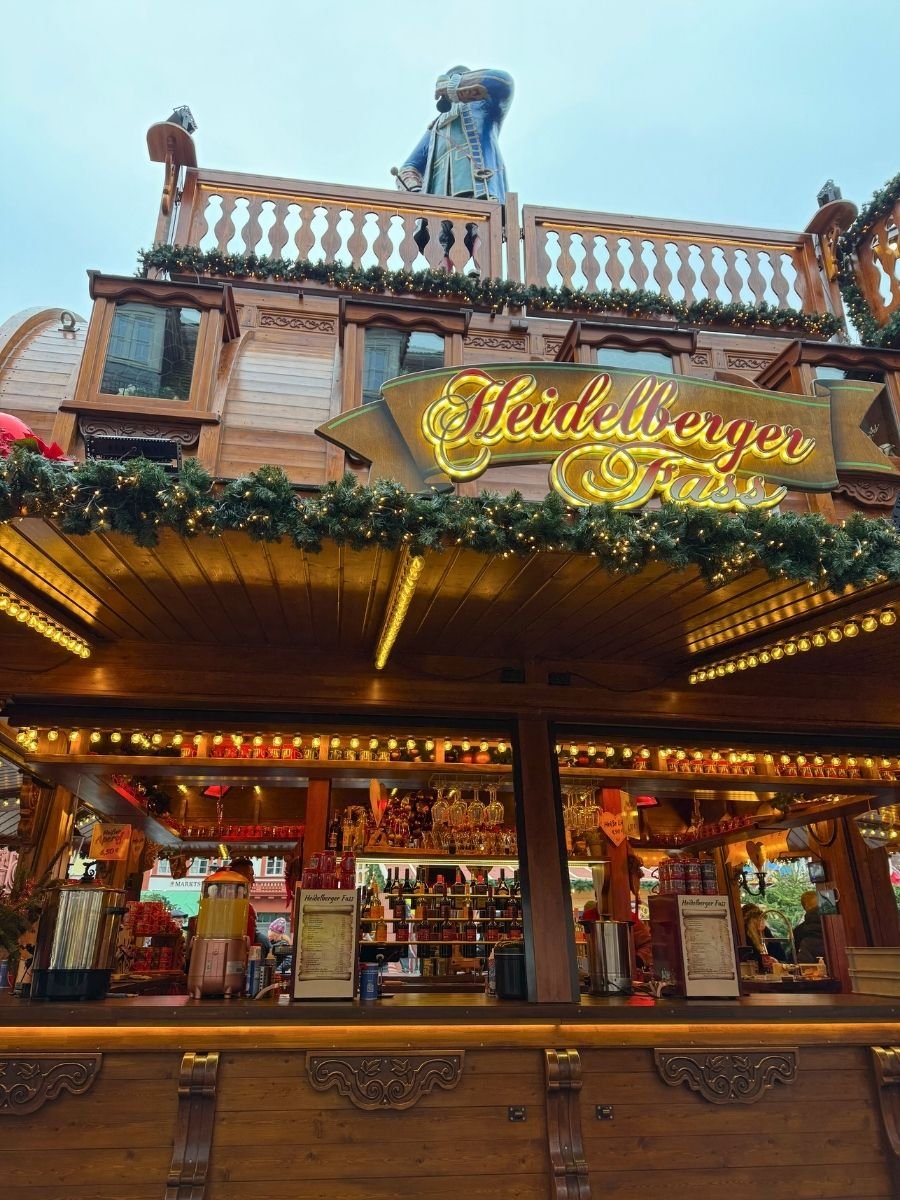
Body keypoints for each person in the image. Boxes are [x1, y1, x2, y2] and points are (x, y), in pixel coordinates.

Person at [395, 66, 514, 203]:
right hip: (438, 204)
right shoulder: (436, 128)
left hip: (480, 193)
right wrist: (416, 190)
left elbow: (503, 82)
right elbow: (408, 167)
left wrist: (455, 85)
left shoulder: (484, 106)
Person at [229, 857, 269, 953]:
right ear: (241, 876)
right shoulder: (241, 907)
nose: (253, 880)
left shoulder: (245, 906)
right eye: (251, 875)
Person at [794, 891, 826, 963]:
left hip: (811, 971)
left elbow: (794, 958)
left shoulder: (798, 931)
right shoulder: (833, 924)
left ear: (806, 907)